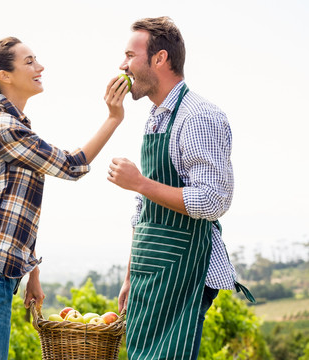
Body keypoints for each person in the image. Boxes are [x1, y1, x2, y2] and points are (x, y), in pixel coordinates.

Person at [0, 36, 128, 360]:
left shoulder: (9, 124)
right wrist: (113, 118)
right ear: (5, 75)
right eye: (29, 61)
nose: (39, 67)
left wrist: (32, 271)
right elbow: (71, 166)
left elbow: (12, 208)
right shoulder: (1, 125)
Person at [107, 17, 254, 360]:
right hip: (150, 270)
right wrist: (131, 274)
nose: (122, 64)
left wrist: (138, 182)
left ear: (159, 59)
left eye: (130, 54)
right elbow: (144, 208)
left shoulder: (198, 116)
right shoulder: (156, 116)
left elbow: (212, 200)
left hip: (183, 268)